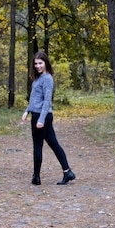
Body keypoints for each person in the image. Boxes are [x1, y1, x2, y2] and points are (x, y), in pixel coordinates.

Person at [21, 51, 76, 186]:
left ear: (46, 63)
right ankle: (67, 172)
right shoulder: (38, 78)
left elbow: (47, 101)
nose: (38, 66)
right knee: (54, 144)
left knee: (38, 146)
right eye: (36, 64)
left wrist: (41, 119)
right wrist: (27, 111)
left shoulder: (47, 79)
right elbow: (34, 98)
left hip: (42, 116)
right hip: (37, 114)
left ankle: (36, 177)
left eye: (40, 63)